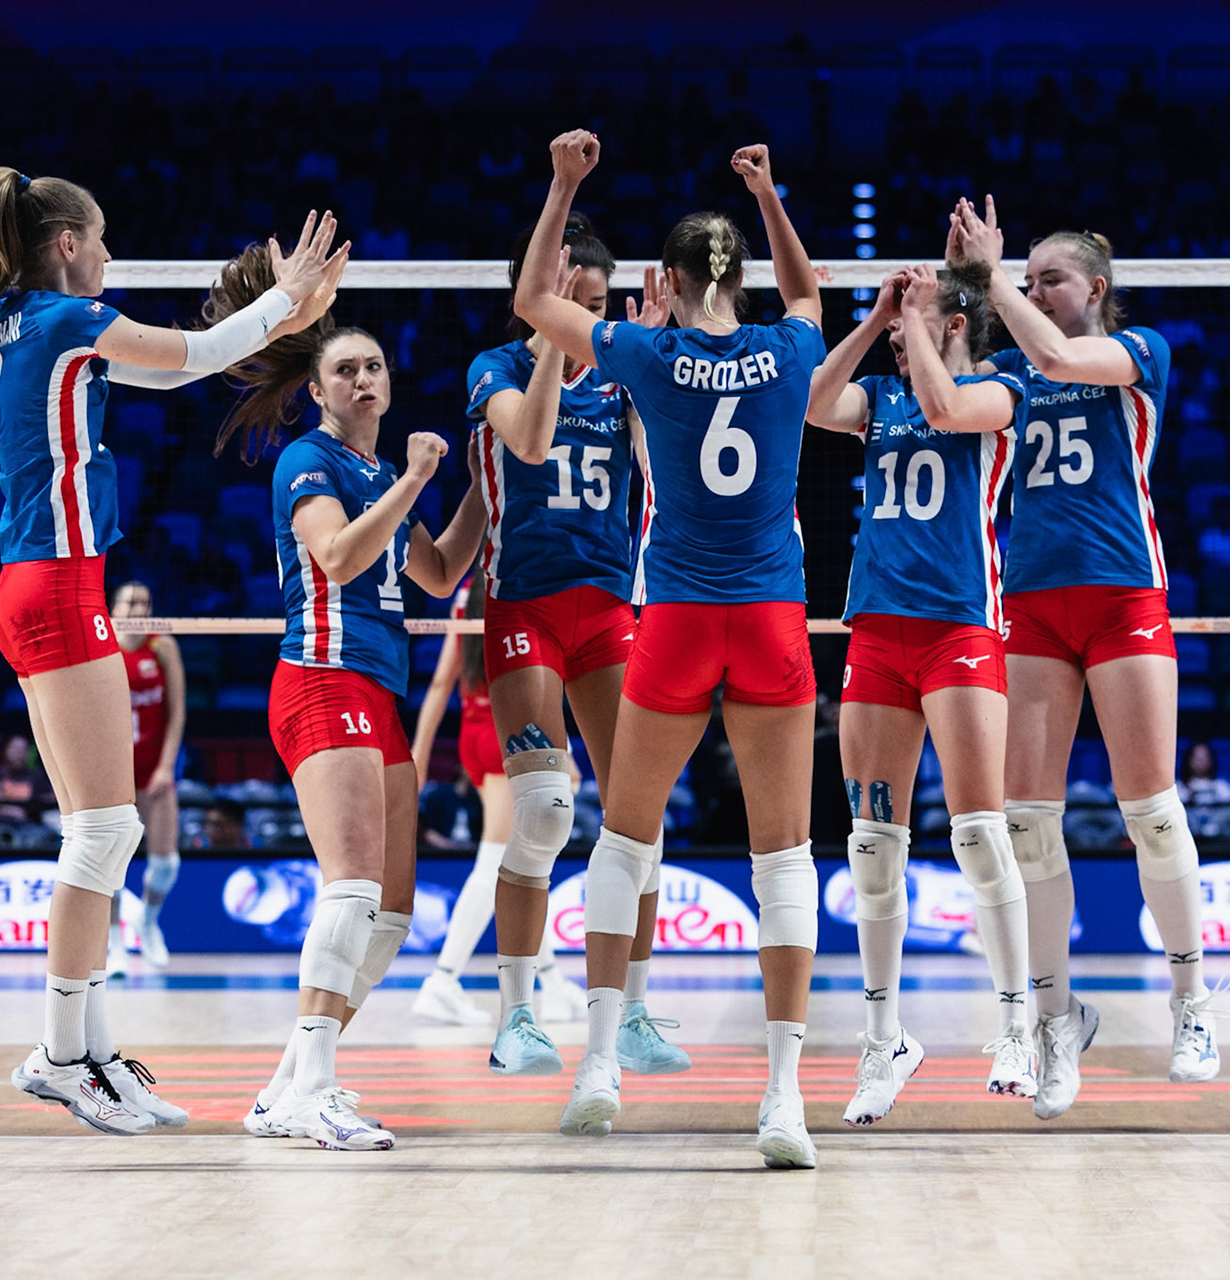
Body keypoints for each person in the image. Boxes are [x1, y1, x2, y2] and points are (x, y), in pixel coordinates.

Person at [0, 165, 345, 1135]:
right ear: (68, 246)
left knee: (101, 826)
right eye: (106, 238)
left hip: (38, 580)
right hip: (56, 580)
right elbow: (193, 351)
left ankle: (89, 1051)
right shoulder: (54, 321)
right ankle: (61, 1053)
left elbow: (176, 367)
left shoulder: (22, 326)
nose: (114, 253)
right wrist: (287, 303)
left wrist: (283, 321)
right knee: (103, 829)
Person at [516, 131, 827, 1168]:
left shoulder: (643, 351)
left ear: (662, 281)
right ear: (742, 279)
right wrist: (770, 196)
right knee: (782, 854)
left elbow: (531, 303)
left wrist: (564, 188)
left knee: (625, 840)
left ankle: (598, 1062)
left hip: (679, 619)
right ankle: (783, 1098)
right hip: (773, 618)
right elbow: (808, 293)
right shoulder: (790, 350)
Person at [198, 243, 486, 1151]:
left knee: (391, 915)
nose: (364, 378)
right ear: (319, 390)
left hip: (377, 693)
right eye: (346, 369)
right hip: (323, 679)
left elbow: (438, 574)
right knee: (353, 885)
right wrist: (414, 481)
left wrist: (487, 482)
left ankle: (285, 1087)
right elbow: (338, 556)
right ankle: (316, 1088)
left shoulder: (377, 478)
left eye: (374, 366)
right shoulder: (308, 462)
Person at [950, 195, 1224, 1120]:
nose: (1033, 290)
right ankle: (1057, 1019)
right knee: (1027, 821)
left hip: (1122, 598)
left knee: (1149, 809)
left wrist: (991, 279)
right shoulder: (1009, 375)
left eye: (1049, 278)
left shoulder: (1137, 350)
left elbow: (1063, 355)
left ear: (1095, 288)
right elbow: (950, 407)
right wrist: (940, 303)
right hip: (1029, 601)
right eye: (1026, 281)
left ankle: (1190, 1003)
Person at [805, 252, 1034, 1122]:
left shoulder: (1000, 389)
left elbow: (948, 404)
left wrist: (927, 319)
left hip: (960, 628)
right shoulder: (884, 402)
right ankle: (884, 1039)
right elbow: (816, 402)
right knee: (873, 844)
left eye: (917, 315)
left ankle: (1015, 1025)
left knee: (979, 834)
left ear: (954, 325)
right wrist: (872, 321)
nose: (900, 330)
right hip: (878, 628)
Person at [464, 214, 687, 1080]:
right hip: (523, 606)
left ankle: (631, 1012)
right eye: (572, 304)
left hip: (608, 612)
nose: (590, 322)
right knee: (548, 812)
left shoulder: (626, 381)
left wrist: (659, 362)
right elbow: (525, 437)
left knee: (642, 820)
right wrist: (559, 332)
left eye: (598, 307)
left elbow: (670, 463)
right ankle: (515, 1014)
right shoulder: (498, 368)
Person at [407, 575, 590, 1029]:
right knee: (496, 861)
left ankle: (551, 983)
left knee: (519, 863)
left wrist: (420, 756)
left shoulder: (467, 592)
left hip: (473, 734)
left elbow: (439, 685)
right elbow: (542, 682)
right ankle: (442, 980)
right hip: (512, 732)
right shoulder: (528, 579)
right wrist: (558, 753)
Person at [107, 581, 187, 971]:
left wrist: (166, 767)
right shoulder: (101, 644)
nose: (139, 608)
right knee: (110, 864)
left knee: (166, 862)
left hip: (154, 771)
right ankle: (114, 943)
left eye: (145, 601)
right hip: (113, 772)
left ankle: (149, 924)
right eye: (131, 602)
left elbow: (177, 713)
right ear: (113, 608)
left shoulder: (163, 646)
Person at [1178, 740, 1230, 842]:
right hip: (1187, 837)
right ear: (1188, 759)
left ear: (1211, 759)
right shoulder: (1178, 787)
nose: (1200, 760)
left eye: (1204, 757)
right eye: (1196, 757)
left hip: (1219, 838)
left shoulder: (1222, 786)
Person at [0, 734, 51, 825]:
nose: (19, 754)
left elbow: (48, 798)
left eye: (23, 750)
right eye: (15, 749)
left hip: (30, 824)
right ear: (6, 750)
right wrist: (12, 810)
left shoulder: (36, 775)